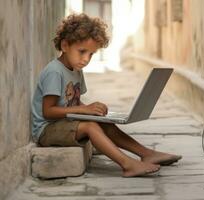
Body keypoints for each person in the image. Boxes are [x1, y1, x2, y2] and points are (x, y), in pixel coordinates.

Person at [31, 13, 182, 177]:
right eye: (82, 51)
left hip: (64, 123)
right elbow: (48, 111)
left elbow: (72, 102)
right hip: (47, 130)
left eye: (91, 54)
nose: (86, 59)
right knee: (90, 126)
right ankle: (128, 164)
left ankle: (146, 153)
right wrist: (84, 110)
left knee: (103, 123)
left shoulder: (76, 69)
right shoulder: (54, 72)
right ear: (65, 45)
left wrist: (93, 111)